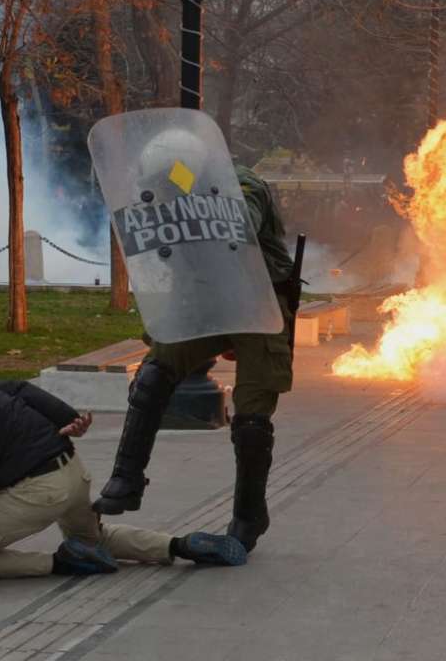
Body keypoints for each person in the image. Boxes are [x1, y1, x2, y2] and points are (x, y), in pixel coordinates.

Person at [0, 373, 244, 596]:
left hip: (40, 489)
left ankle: (63, 562)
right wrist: (68, 416)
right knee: (96, 540)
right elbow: (21, 387)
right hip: (71, 471)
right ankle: (180, 545)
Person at [94, 164, 296, 555]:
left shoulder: (240, 183)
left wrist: (191, 211)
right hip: (209, 301)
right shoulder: (170, 189)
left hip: (259, 304)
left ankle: (250, 516)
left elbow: (240, 223)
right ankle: (126, 480)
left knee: (252, 414)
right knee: (155, 372)